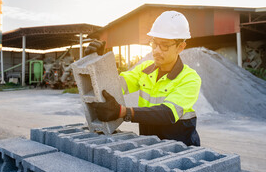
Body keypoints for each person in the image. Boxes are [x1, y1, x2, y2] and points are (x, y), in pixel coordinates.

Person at [85, 11, 201, 146]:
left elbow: (168, 113)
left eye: (164, 45)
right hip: (149, 144)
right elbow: (115, 86)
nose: (156, 50)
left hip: (180, 148)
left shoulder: (190, 78)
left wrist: (123, 112)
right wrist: (98, 62)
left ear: (180, 47)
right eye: (154, 43)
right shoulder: (144, 69)